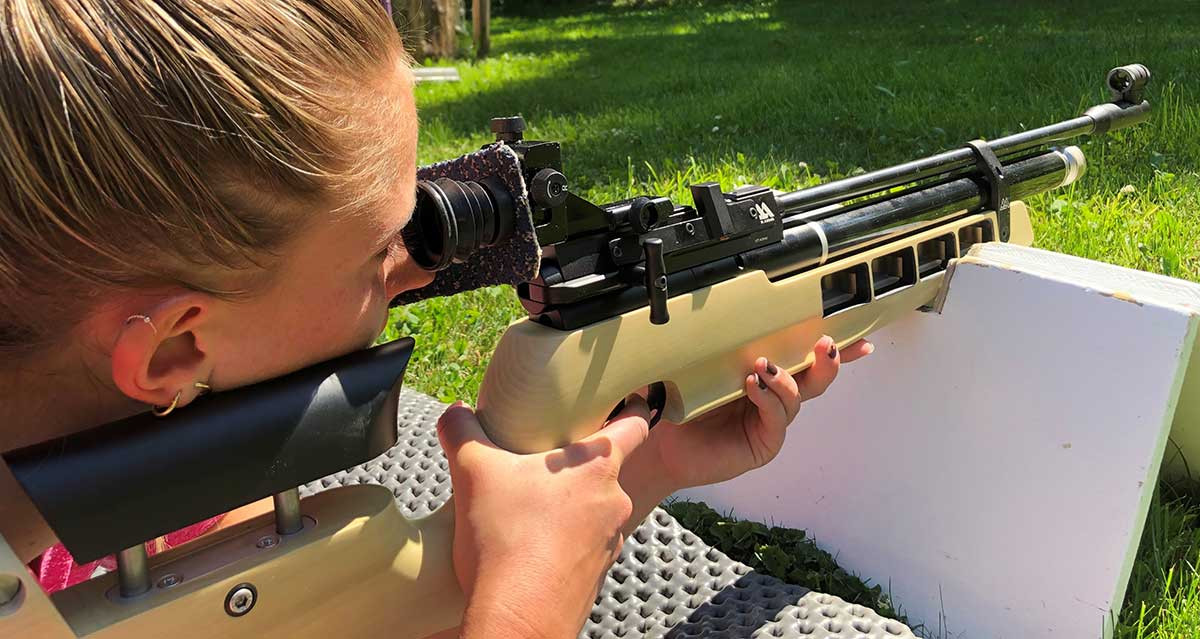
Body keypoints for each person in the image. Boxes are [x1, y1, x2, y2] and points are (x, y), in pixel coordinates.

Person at [0, 1, 871, 637]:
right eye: (378, 254)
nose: (419, 267)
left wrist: (645, 466)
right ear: (177, 348)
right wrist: (526, 607)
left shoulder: (149, 499)